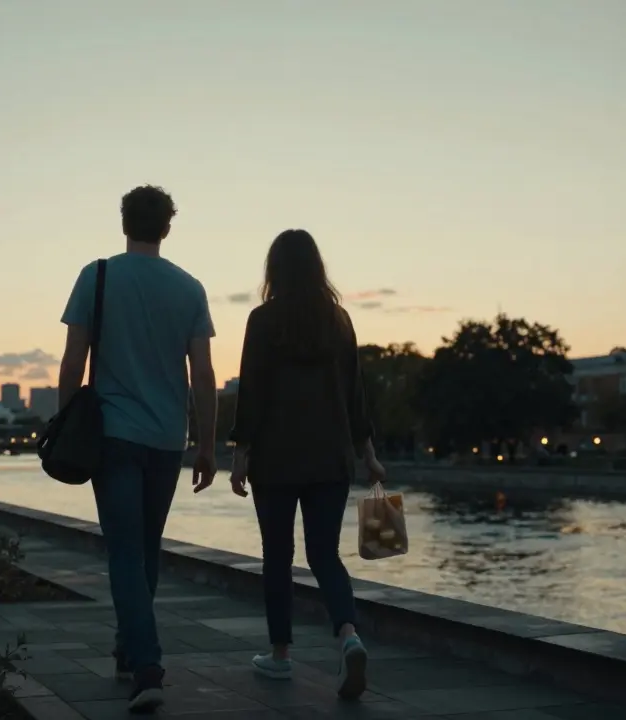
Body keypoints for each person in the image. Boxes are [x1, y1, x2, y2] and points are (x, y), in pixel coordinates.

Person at [57, 185, 218, 713]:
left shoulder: (96, 276)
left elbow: (73, 359)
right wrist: (208, 443)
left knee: (126, 549)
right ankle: (130, 649)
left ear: (123, 222)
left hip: (114, 434)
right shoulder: (190, 288)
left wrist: (65, 421)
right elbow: (204, 374)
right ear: (167, 227)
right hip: (167, 440)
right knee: (146, 548)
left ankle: (147, 665)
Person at [227, 229, 386, 701]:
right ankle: (348, 636)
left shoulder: (263, 320)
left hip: (276, 459)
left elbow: (251, 391)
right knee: (325, 554)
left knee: (277, 557)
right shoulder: (339, 321)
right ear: (318, 268)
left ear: (274, 270)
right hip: (331, 457)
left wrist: (240, 454)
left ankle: (279, 656)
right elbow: (355, 392)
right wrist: (369, 452)